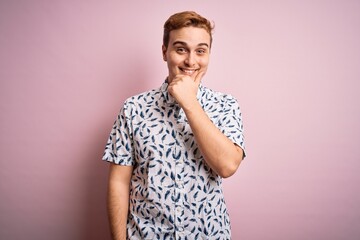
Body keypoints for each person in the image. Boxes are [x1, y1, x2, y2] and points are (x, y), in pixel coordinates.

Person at [102, 11, 246, 240]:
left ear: (209, 54)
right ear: (164, 52)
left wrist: (190, 102)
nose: (191, 60)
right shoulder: (133, 108)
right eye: (181, 49)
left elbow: (227, 166)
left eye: (200, 50)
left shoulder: (226, 105)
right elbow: (118, 183)